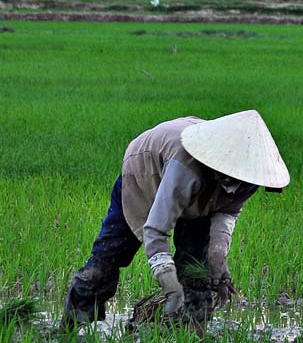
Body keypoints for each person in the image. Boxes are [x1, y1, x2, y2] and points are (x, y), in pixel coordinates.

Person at [60, 110, 290, 329]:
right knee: (109, 256)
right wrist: (170, 285)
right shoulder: (186, 169)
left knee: (195, 269)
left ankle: (192, 336)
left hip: (197, 194)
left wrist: (218, 258)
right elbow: (155, 230)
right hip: (144, 175)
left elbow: (227, 213)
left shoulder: (249, 178)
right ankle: (70, 326)